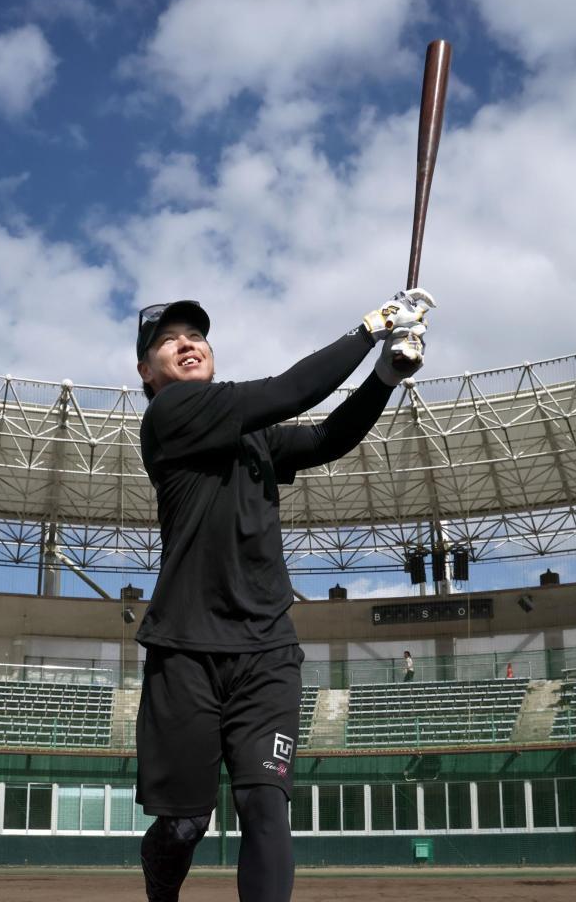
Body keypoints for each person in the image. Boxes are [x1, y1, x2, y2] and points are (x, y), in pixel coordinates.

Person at [134, 289, 434, 902]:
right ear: (147, 371)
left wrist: (383, 375)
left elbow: (326, 438)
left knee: (265, 806)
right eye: (170, 341)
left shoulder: (252, 439)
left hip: (267, 649)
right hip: (186, 648)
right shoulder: (172, 416)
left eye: (196, 336)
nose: (188, 344)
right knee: (187, 823)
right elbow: (291, 391)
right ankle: (161, 892)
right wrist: (371, 328)